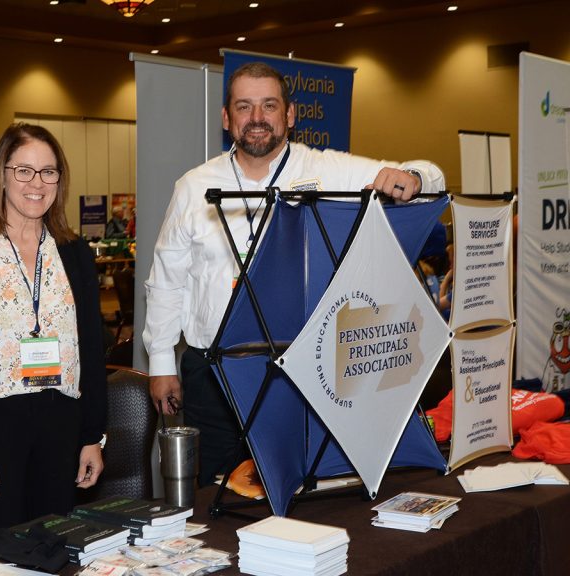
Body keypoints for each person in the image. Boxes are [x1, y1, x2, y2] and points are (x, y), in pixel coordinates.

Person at [143, 61, 446, 488]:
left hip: (300, 371)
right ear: (226, 118)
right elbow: (166, 280)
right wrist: (161, 363)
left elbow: (432, 176)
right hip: (213, 375)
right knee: (214, 494)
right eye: (244, 106)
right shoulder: (193, 186)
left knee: (296, 490)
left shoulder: (327, 171)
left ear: (289, 115)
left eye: (269, 105)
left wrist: (412, 176)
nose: (257, 117)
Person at [0, 122, 107, 530]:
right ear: (2, 174)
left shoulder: (75, 253)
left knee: (56, 542)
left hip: (62, 427)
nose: (37, 183)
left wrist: (92, 436)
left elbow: (92, 350)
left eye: (48, 171)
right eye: (24, 170)